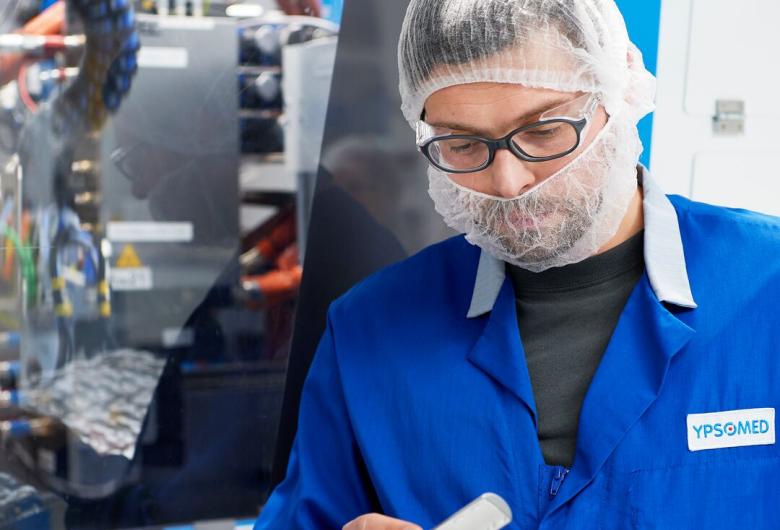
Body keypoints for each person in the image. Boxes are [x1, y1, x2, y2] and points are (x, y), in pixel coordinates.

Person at [255, 0, 780, 528]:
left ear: (621, 93)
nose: (509, 183)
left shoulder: (767, 286)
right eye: (462, 144)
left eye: (544, 131)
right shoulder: (369, 332)